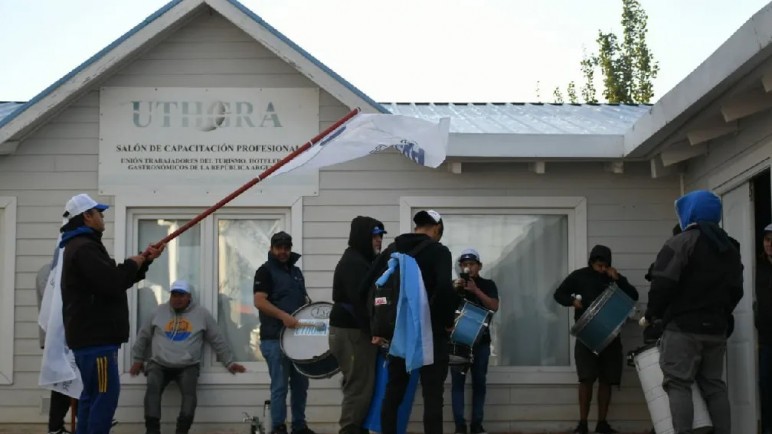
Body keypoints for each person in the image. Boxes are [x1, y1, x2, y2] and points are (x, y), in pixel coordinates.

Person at [60, 193, 165, 434]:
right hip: (96, 341)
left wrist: (144, 260)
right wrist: (135, 262)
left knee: (90, 398)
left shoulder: (82, 246)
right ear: (87, 216)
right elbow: (112, 283)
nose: (102, 216)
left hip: (89, 340)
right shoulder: (85, 248)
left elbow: (111, 278)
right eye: (99, 212)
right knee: (103, 399)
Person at [644, 190, 743, 434]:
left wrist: (652, 315)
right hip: (716, 329)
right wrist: (719, 313)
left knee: (678, 384)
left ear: (690, 212)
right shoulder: (730, 247)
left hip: (683, 329)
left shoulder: (682, 242)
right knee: (714, 386)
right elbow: (736, 290)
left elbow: (662, 283)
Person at [367, 209, 457, 434]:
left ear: (417, 227)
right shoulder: (439, 252)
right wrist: (446, 320)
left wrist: (377, 326)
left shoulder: (393, 249)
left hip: (399, 334)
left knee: (394, 392)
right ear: (437, 229)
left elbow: (369, 285)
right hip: (432, 334)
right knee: (432, 396)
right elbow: (445, 288)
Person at [130, 279, 247, 434]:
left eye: (181, 295)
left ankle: (182, 430)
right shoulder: (158, 312)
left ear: (189, 297)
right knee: (152, 390)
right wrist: (138, 359)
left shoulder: (202, 314)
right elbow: (143, 336)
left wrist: (229, 362)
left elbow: (217, 339)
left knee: (189, 395)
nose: (177, 299)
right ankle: (152, 430)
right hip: (159, 363)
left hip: (187, 365)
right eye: (174, 295)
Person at [554, 244, 638, 434]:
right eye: (598, 265)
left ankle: (602, 423)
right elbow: (558, 294)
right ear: (591, 262)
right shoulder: (579, 275)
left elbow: (634, 296)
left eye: (604, 265)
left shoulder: (614, 278)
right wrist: (572, 301)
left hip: (611, 335)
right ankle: (582, 424)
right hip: (586, 334)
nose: (601, 269)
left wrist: (618, 280)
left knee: (607, 379)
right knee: (586, 379)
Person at [328, 216, 386, 434]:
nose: (379, 240)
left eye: (381, 235)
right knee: (358, 387)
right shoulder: (353, 263)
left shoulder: (361, 260)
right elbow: (360, 303)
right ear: (363, 237)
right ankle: (350, 430)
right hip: (352, 331)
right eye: (375, 236)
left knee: (361, 385)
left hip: (353, 331)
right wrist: (374, 331)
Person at [253, 231, 315, 434]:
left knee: (300, 385)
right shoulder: (264, 271)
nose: (283, 252)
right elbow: (259, 301)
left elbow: (303, 302)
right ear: (271, 249)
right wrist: (283, 316)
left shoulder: (296, 272)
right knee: (279, 386)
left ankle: (299, 425)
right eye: (279, 248)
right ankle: (278, 427)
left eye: (286, 248)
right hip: (274, 338)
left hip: (297, 340)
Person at [451, 248, 499, 434]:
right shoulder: (455, 285)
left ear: (479, 266)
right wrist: (455, 290)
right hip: (459, 342)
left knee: (479, 383)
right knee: (458, 384)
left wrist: (476, 290)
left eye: (471, 264)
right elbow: (444, 309)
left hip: (481, 342)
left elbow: (494, 306)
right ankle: (459, 427)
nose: (468, 268)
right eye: (464, 265)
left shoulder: (487, 284)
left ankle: (477, 425)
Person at [36, 258, 73, 434]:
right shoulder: (48, 272)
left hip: (70, 339)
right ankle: (55, 427)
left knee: (72, 380)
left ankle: (78, 419)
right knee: (62, 383)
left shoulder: (68, 271)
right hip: (55, 339)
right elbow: (52, 304)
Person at [758, 223, 772, 434]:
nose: (770, 244)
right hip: (766, 337)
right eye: (768, 240)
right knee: (767, 384)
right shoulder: (758, 267)